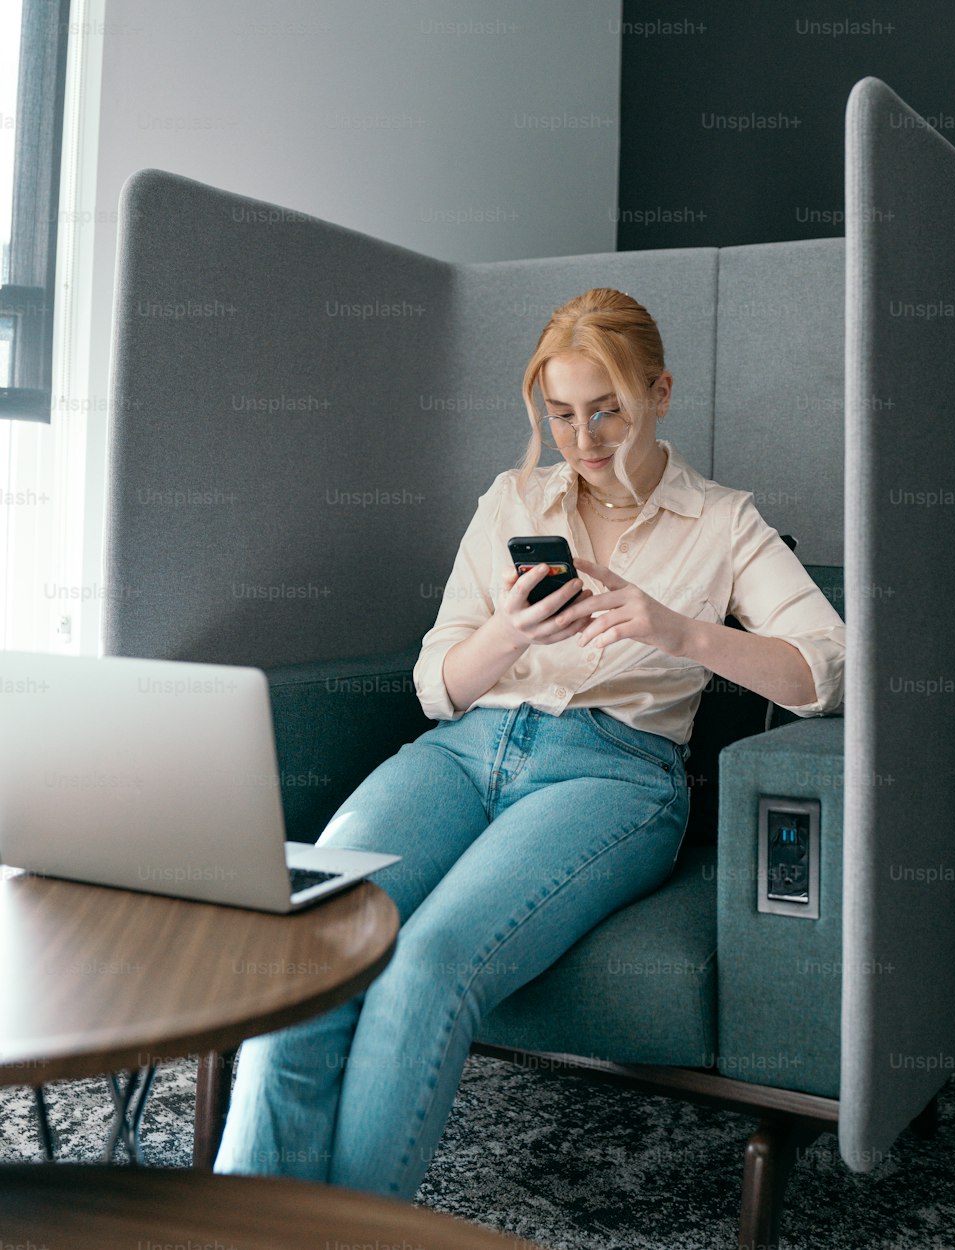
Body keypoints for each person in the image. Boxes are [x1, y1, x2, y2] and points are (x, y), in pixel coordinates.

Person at [214, 287, 845, 1197]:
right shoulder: (513, 498)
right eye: (561, 415)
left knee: (425, 965)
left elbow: (825, 669)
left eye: (608, 411)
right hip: (466, 749)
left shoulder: (725, 524)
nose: (584, 440)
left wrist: (676, 631)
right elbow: (437, 687)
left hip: (615, 775)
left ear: (661, 393)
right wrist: (509, 633)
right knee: (313, 928)